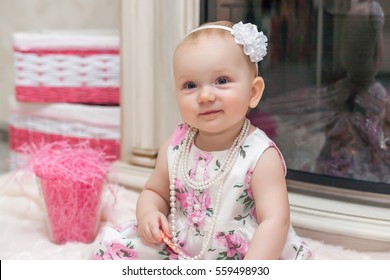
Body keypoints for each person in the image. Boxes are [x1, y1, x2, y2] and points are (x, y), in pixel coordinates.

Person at [93, 21, 313, 260]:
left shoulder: (260, 156)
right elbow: (154, 191)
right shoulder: (176, 146)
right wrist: (149, 212)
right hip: (178, 245)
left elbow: (275, 221)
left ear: (253, 93)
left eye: (221, 81)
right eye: (190, 85)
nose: (206, 96)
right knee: (113, 251)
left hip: (245, 253)